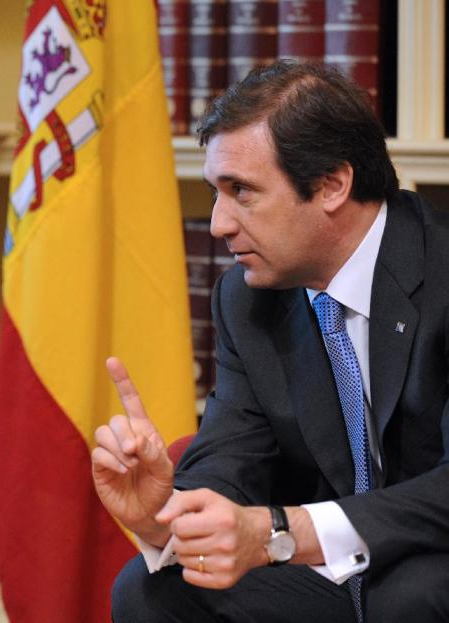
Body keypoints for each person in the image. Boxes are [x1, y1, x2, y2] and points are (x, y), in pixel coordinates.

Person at [93, 60, 449, 622]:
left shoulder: (441, 274)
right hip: (331, 574)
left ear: (333, 184)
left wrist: (287, 530)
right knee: (150, 588)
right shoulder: (247, 299)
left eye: (242, 192)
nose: (217, 224)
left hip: (427, 562)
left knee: (408, 597)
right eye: (216, 192)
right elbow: (231, 462)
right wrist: (163, 510)